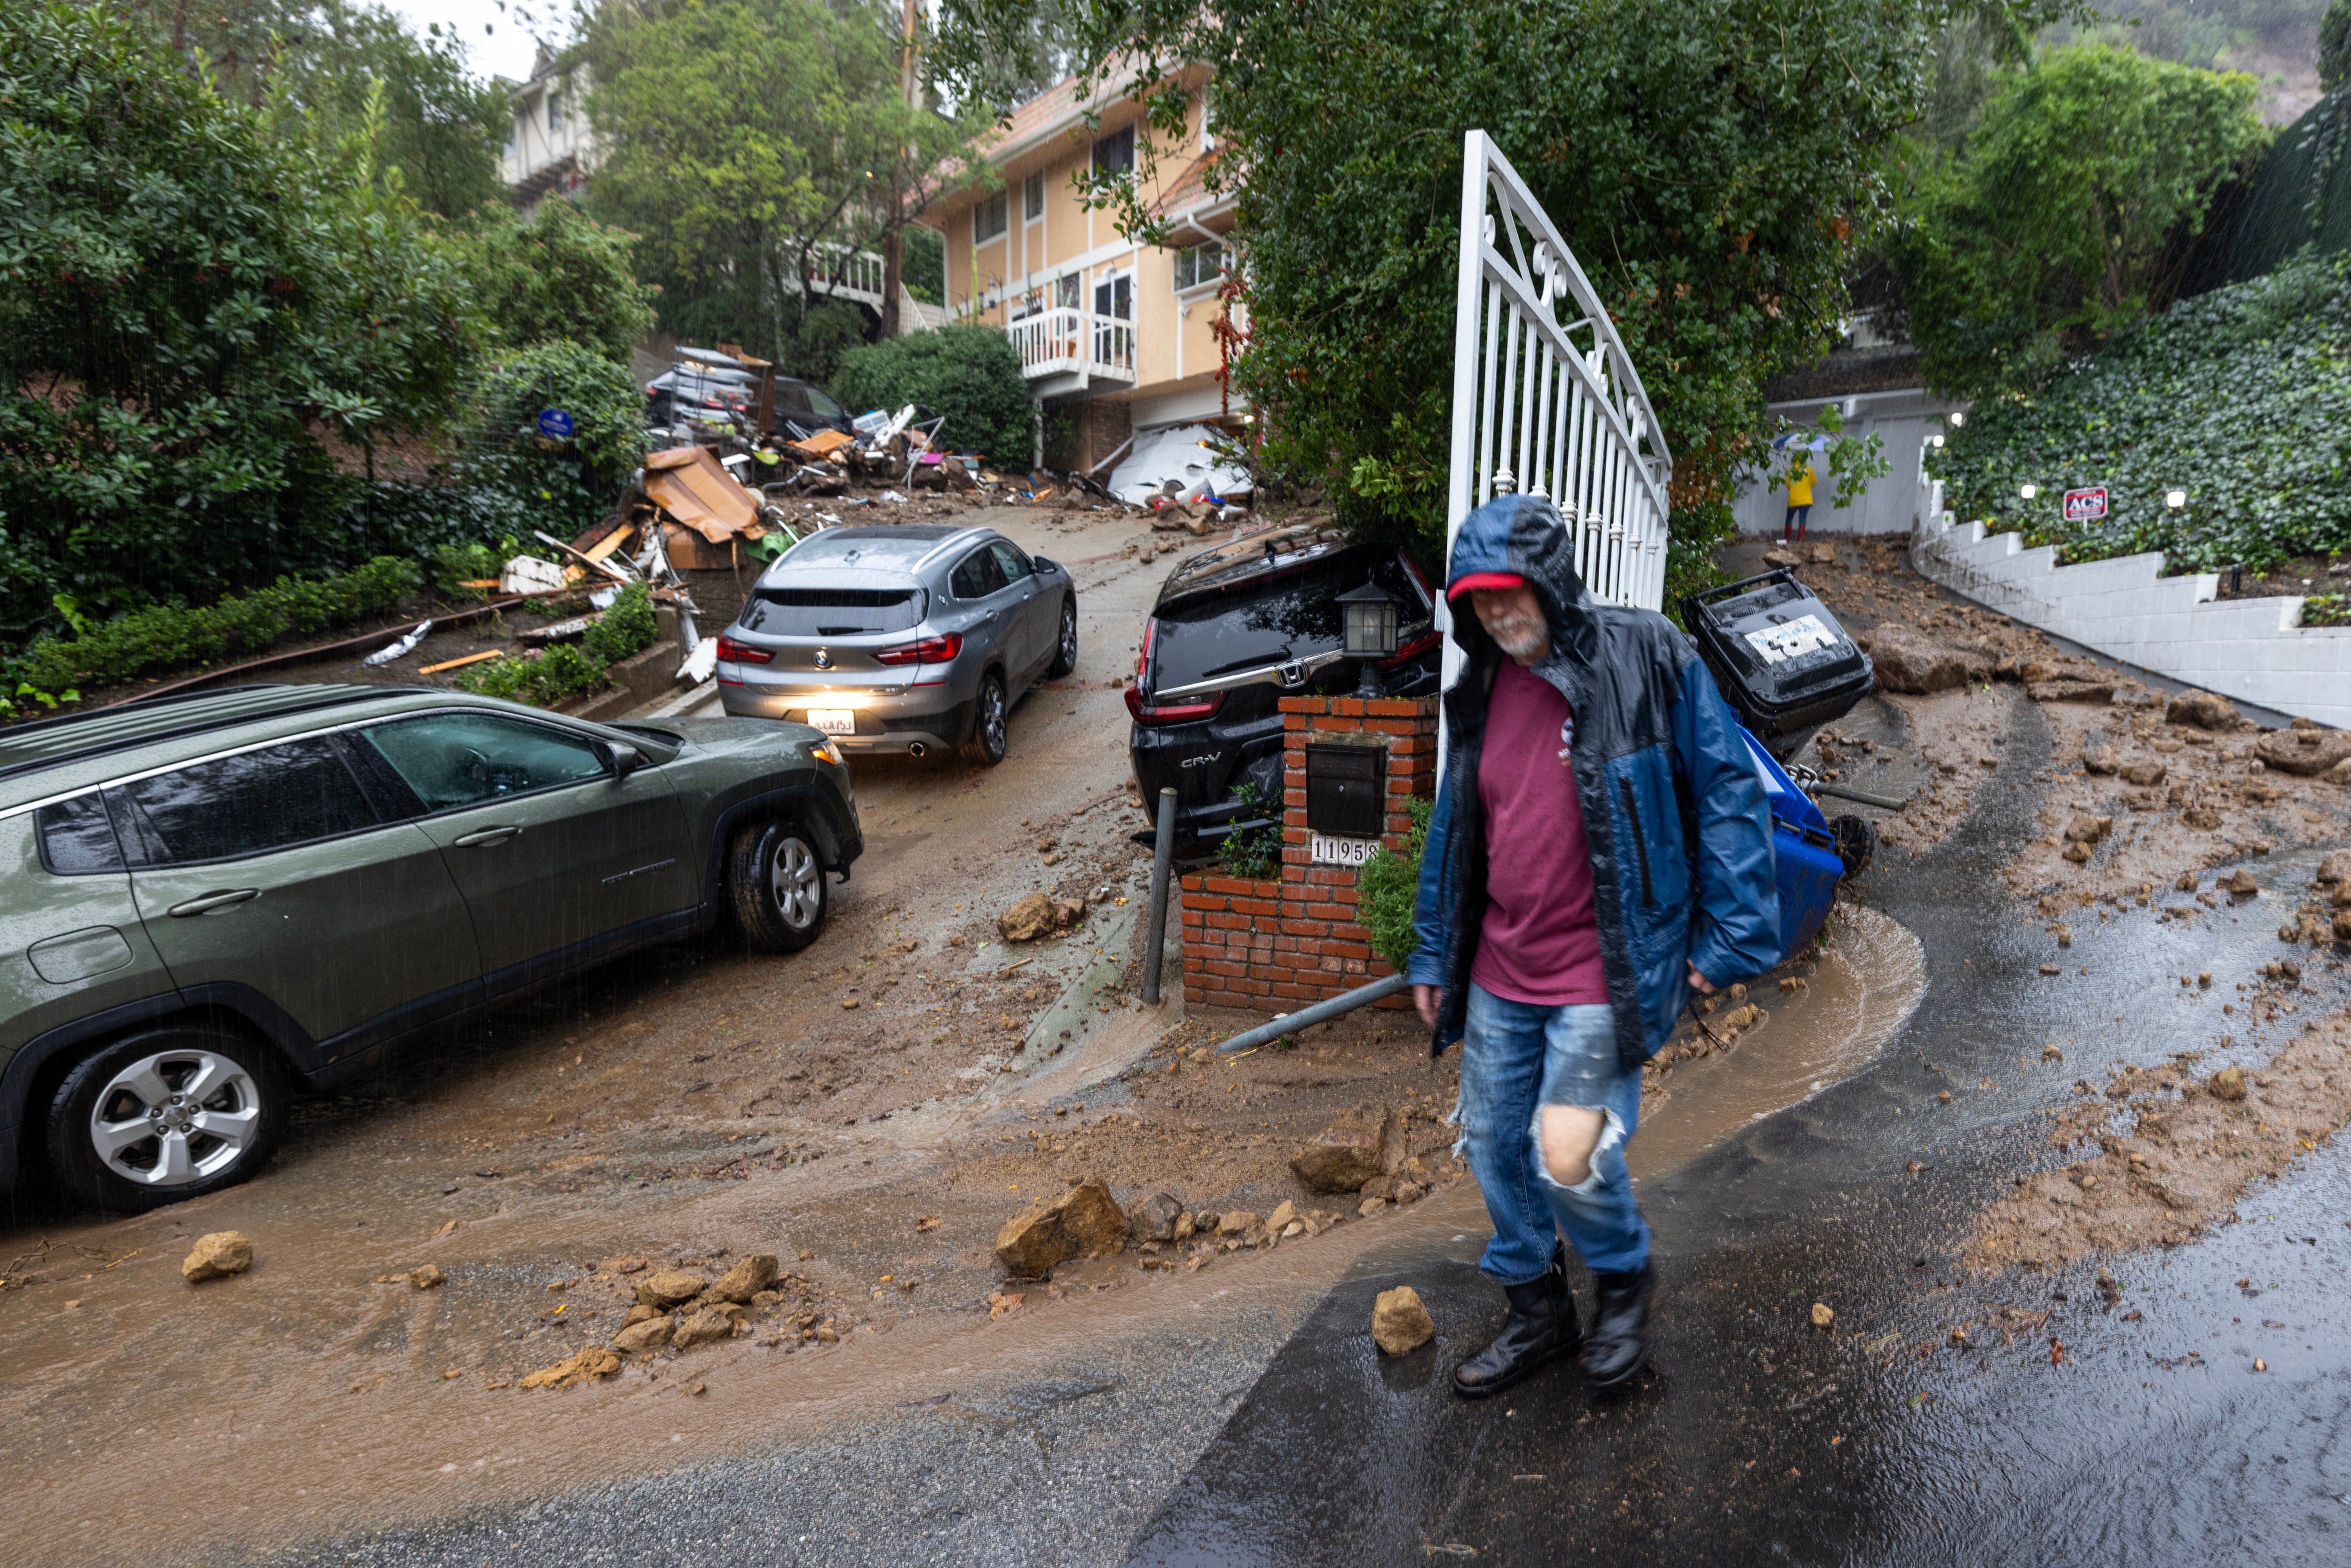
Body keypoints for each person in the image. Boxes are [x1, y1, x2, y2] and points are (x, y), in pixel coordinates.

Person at [1407, 491, 1781, 1399]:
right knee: (1495, 1145)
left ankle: (1622, 1281)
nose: (1498, 613)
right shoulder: (1482, 686)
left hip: (1602, 970)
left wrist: (1732, 930)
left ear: (1552, 583)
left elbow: (1726, 786)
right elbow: (1455, 826)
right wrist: (1430, 948)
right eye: (1478, 601)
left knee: (1567, 1153)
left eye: (1511, 594)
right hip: (1503, 966)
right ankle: (1539, 1311)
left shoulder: (1644, 652)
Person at [1783, 451, 1815, 542]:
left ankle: (1787, 538)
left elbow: (1788, 484)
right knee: (1802, 519)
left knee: (1789, 519)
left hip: (1794, 499)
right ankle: (1800, 539)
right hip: (1806, 500)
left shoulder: (1791, 470)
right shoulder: (1809, 470)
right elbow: (1814, 481)